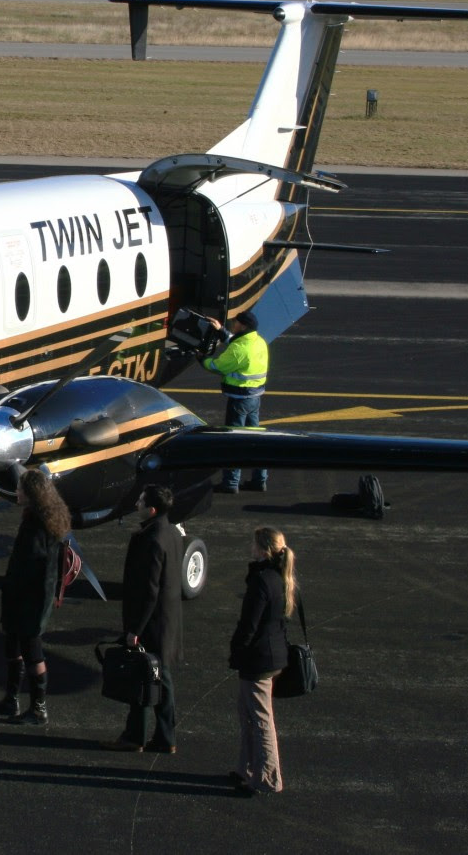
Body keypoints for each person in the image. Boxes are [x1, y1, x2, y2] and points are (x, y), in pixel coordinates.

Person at [104, 484, 184, 753]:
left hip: (150, 623)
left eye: (140, 502)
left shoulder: (150, 539)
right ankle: (165, 736)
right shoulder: (171, 532)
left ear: (151, 509)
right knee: (163, 680)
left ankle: (135, 736)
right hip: (167, 621)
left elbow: (149, 589)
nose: (136, 504)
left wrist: (135, 628)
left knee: (141, 678)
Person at [0, 468, 71, 725]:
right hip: (29, 594)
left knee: (31, 650)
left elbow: (31, 562)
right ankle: (12, 699)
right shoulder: (45, 517)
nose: (16, 492)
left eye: (20, 488)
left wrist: (13, 588)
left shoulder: (36, 524)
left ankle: (38, 708)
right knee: (15, 645)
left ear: (31, 494)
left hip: (30, 597)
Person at [228, 526, 295, 797]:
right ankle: (248, 768)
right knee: (249, 714)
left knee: (258, 719)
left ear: (262, 549)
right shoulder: (279, 578)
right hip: (272, 655)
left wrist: (237, 650)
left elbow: (249, 625)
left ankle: (267, 776)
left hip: (258, 659)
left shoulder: (261, 581)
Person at [201, 309, 269, 493]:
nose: (233, 324)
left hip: (239, 400)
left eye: (236, 322)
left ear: (243, 326)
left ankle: (231, 482)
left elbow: (217, 366)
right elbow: (235, 340)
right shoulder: (257, 341)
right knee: (256, 439)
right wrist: (221, 331)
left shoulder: (240, 349)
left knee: (234, 439)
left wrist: (201, 358)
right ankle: (259, 479)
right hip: (254, 397)